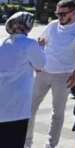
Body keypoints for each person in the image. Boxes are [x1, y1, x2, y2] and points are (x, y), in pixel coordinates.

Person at [26, 0, 75, 148]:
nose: (59, 17)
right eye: (57, 13)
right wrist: (39, 46)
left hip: (65, 75)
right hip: (43, 72)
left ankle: (51, 145)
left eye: (62, 14)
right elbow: (41, 41)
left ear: (73, 13)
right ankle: (26, 143)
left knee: (58, 113)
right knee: (29, 108)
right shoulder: (52, 25)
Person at [0, 12, 45, 148]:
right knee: (14, 141)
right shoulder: (30, 44)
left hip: (3, 99)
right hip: (18, 104)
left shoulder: (4, 42)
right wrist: (41, 47)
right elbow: (41, 64)